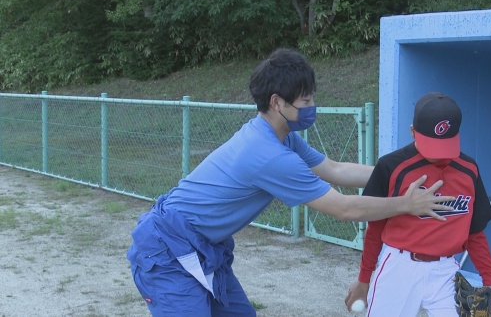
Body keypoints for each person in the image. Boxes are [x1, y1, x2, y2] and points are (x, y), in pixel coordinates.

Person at [126, 48, 455, 317]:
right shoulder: (268, 154)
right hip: (168, 250)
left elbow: (336, 170)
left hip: (204, 246)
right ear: (276, 102)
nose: (312, 108)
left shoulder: (281, 136)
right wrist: (408, 204)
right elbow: (342, 207)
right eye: (305, 101)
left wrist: (402, 174)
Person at [345, 92, 491, 316]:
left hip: (445, 272)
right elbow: (375, 228)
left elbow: (474, 232)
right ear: (412, 132)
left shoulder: (469, 170)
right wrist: (364, 278)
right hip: (398, 267)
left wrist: (490, 278)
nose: (439, 155)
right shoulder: (391, 166)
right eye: (432, 145)